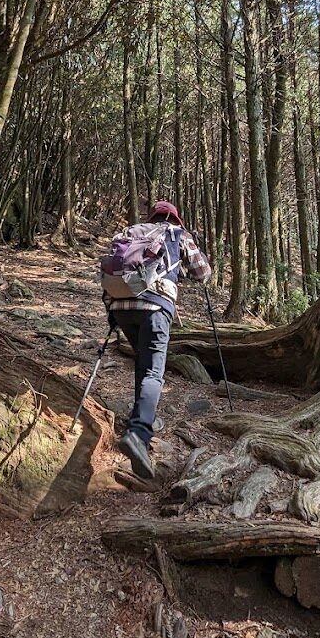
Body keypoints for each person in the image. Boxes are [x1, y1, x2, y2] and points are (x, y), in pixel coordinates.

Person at [103, 200, 211, 479]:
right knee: (153, 370)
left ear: (152, 216)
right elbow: (203, 273)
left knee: (143, 360)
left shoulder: (130, 231)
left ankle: (142, 417)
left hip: (120, 306)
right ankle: (138, 433)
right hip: (155, 306)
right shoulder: (177, 234)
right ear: (176, 218)